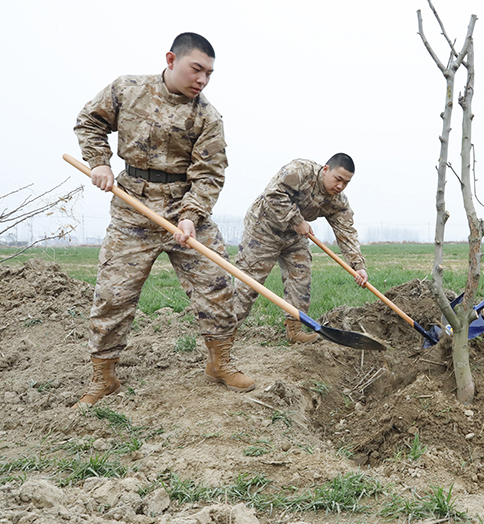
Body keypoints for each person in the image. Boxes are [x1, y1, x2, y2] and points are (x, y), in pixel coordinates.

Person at [73, 32, 255, 407]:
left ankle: (220, 362)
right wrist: (100, 162)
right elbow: (89, 121)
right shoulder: (128, 89)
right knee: (113, 294)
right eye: (196, 69)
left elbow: (209, 175)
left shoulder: (207, 116)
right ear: (171, 60)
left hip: (183, 207)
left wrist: (190, 217)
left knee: (217, 286)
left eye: (209, 73)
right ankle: (103, 376)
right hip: (131, 206)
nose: (202, 80)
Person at [234, 155, 368, 344]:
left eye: (346, 183)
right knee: (248, 285)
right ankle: (223, 334)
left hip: (295, 237)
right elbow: (272, 194)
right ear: (326, 169)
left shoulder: (337, 201)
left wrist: (358, 265)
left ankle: (294, 331)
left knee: (300, 279)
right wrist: (297, 220)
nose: (340, 186)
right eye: (338, 179)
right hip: (263, 229)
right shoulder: (300, 171)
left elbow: (346, 231)